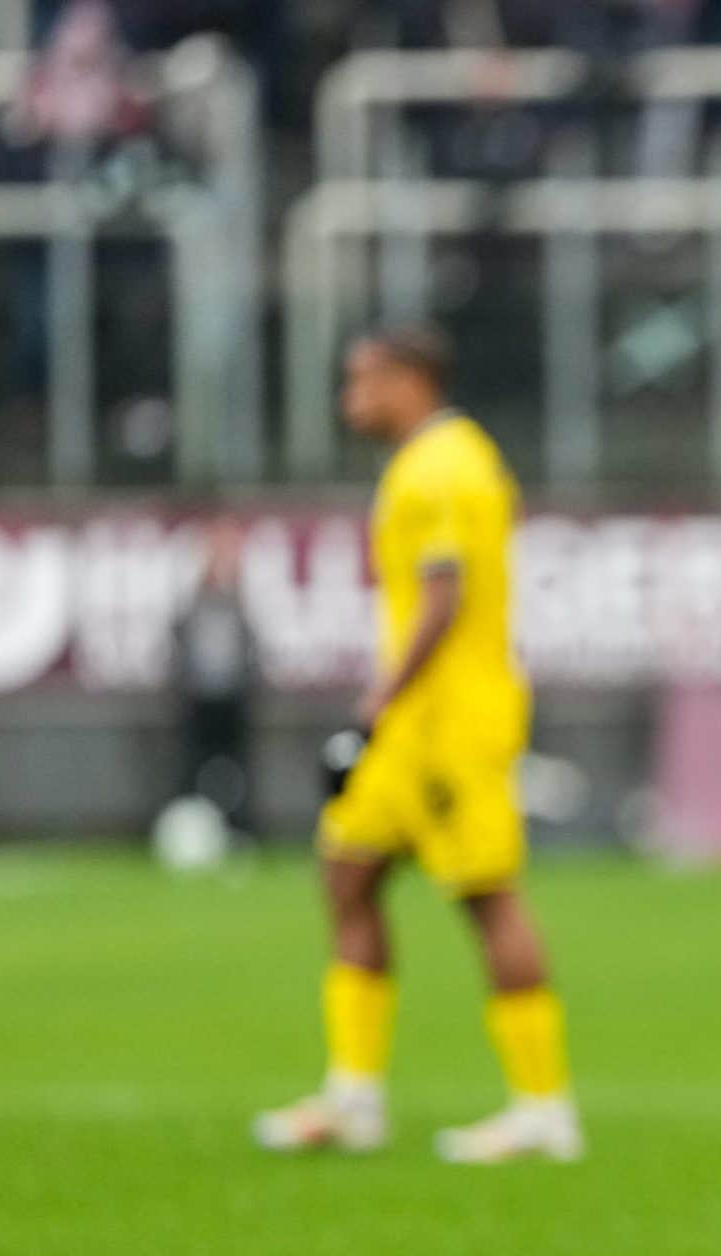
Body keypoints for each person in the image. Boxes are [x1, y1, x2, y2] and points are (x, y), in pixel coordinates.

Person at [253, 324, 582, 1165]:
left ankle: (544, 1108)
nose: (348, 400)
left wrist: (374, 704)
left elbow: (443, 597)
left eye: (361, 381)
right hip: (412, 727)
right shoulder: (435, 459)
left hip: (447, 723)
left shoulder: (441, 468)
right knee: (347, 872)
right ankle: (353, 1096)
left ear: (409, 380)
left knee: (486, 896)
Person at [169, 521, 261, 834]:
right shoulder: (195, 600)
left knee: (237, 766)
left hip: (233, 697)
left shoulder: (239, 601)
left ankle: (238, 828)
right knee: (193, 764)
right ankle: (188, 827)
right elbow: (180, 641)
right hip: (199, 698)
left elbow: (250, 646)